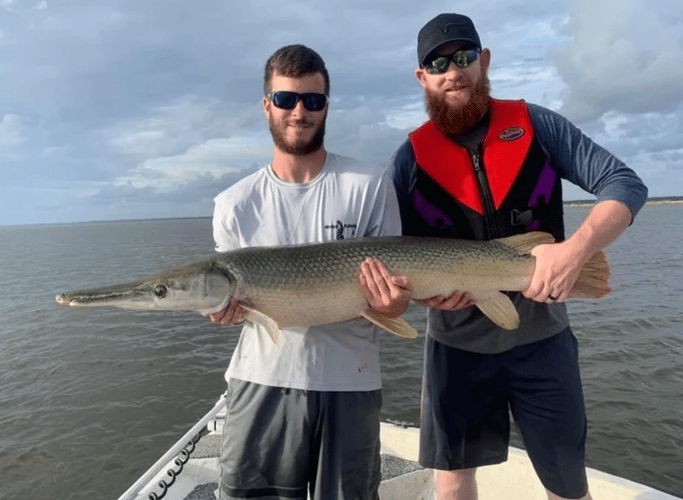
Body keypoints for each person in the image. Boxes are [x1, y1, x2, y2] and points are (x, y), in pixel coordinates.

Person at [390, 13, 648, 500]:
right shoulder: (409, 160)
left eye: (464, 57)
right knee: (450, 488)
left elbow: (625, 184)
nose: (454, 70)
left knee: (568, 487)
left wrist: (577, 251)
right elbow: (390, 257)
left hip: (544, 343)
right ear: (422, 77)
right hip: (456, 352)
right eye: (438, 63)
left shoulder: (537, 124)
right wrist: (420, 298)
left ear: (484, 61)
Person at [209, 44, 412, 500]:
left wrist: (396, 302)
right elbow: (240, 307)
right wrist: (226, 312)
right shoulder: (234, 204)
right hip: (261, 380)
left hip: (351, 383)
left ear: (326, 106)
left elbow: (398, 293)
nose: (299, 111)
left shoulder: (370, 184)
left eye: (312, 100)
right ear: (267, 105)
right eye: (286, 99)